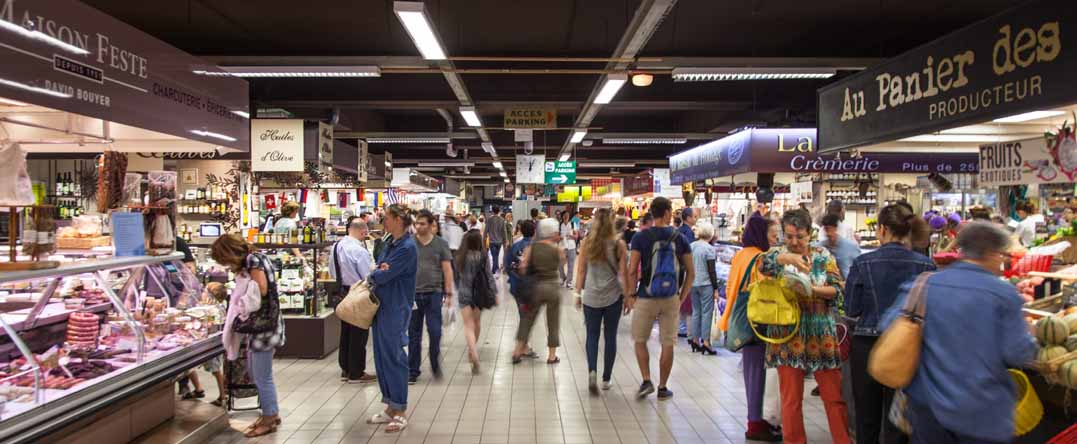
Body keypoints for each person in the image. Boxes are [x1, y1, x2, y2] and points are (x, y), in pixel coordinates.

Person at [880, 222, 1038, 443]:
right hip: (983, 413)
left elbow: (888, 326)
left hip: (928, 409)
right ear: (992, 254)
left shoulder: (924, 284)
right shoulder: (1004, 294)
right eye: (1002, 255)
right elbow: (1019, 354)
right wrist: (1031, 334)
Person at [758, 209, 851, 444]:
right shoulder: (777, 254)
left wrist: (812, 290)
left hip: (821, 333)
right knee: (791, 399)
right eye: (789, 236)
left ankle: (843, 440)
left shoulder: (822, 256)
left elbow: (837, 290)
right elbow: (762, 265)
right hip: (787, 334)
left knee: (834, 396)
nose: (794, 242)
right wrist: (786, 258)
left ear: (810, 234)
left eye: (800, 237)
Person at [844, 203, 935, 444]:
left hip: (867, 346)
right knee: (898, 420)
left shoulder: (862, 263)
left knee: (866, 418)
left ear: (882, 229)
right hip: (907, 346)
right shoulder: (926, 265)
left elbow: (851, 308)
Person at [211, 234, 285, 438]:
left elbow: (261, 289)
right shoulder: (257, 257)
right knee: (257, 372)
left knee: (261, 375)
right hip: (264, 324)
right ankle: (271, 413)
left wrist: (242, 299)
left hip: (263, 326)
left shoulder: (253, 260)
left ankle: (269, 418)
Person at [721, 214, 782, 442]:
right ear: (761, 235)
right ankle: (755, 423)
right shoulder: (760, 257)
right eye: (772, 235)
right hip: (758, 321)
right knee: (758, 372)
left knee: (751, 371)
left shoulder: (740, 254)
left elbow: (730, 286)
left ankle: (755, 419)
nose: (775, 239)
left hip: (741, 319)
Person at [626, 196, 694, 400]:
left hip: (646, 296)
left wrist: (631, 294)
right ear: (666, 213)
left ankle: (647, 380)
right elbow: (691, 272)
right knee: (667, 343)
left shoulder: (640, 237)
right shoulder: (680, 238)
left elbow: (632, 269)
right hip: (671, 298)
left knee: (640, 340)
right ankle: (663, 387)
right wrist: (680, 297)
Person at [366, 205, 418, 433]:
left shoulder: (407, 247)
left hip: (396, 307)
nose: (383, 221)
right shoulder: (390, 243)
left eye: (386, 218)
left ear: (398, 219)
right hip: (381, 306)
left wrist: (377, 272)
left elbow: (382, 274)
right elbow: (380, 267)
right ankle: (390, 406)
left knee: (394, 357)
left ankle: (400, 410)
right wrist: (379, 270)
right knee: (382, 357)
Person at [574, 208, 628, 392]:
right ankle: (606, 379)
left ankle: (592, 371)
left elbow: (581, 271)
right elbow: (623, 274)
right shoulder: (619, 244)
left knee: (592, 335)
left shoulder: (587, 243)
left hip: (591, 297)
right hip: (613, 297)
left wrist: (577, 294)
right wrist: (628, 297)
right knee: (610, 336)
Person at [328, 216, 377, 383]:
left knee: (346, 331)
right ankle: (356, 372)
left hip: (342, 292)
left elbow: (332, 271)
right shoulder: (360, 251)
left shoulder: (336, 246)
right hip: (358, 293)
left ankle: (345, 369)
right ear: (363, 232)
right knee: (359, 332)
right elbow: (367, 277)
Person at [408, 210, 454, 384]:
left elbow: (447, 269)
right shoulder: (409, 243)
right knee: (414, 334)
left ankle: (435, 362)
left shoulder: (440, 244)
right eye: (416, 223)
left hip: (434, 293)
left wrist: (449, 293)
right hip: (413, 294)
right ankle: (412, 370)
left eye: (422, 223)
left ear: (430, 224)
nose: (418, 226)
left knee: (435, 331)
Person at [512, 218, 564, 365]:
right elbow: (562, 262)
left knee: (527, 319)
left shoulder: (532, 248)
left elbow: (522, 267)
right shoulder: (557, 249)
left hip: (535, 288)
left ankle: (517, 351)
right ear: (553, 232)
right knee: (553, 322)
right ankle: (552, 356)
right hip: (553, 288)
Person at [456, 229, 497, 374]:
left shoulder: (460, 256)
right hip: (479, 293)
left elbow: (457, 276)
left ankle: (473, 352)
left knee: (468, 325)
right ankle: (472, 350)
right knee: (477, 323)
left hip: (464, 292)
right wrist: (494, 292)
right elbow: (489, 276)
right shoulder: (483, 256)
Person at [688, 221, 720, 355]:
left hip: (692, 283)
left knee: (696, 312)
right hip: (706, 284)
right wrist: (716, 289)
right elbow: (711, 270)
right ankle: (706, 342)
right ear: (710, 234)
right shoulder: (709, 249)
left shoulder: (691, 246)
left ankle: (695, 340)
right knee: (707, 313)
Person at [819, 214, 862, 279]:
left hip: (848, 283)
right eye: (827, 229)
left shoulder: (851, 247)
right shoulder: (820, 247)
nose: (829, 233)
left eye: (831, 229)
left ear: (836, 228)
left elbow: (860, 268)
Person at [484, 207, 509, 275]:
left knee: (494, 256)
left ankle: (495, 269)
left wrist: (484, 238)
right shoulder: (502, 220)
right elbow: (504, 231)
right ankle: (495, 269)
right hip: (499, 241)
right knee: (496, 255)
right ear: (499, 211)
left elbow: (486, 230)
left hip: (492, 241)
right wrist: (506, 240)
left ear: (492, 211)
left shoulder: (489, 219)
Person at [559, 211, 578, 289]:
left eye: (568, 215)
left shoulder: (573, 224)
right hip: (562, 247)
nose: (566, 216)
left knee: (571, 265)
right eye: (565, 215)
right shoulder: (559, 225)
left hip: (571, 247)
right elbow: (557, 236)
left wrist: (570, 236)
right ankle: (563, 277)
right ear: (562, 216)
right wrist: (560, 237)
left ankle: (569, 282)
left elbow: (576, 236)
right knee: (560, 264)